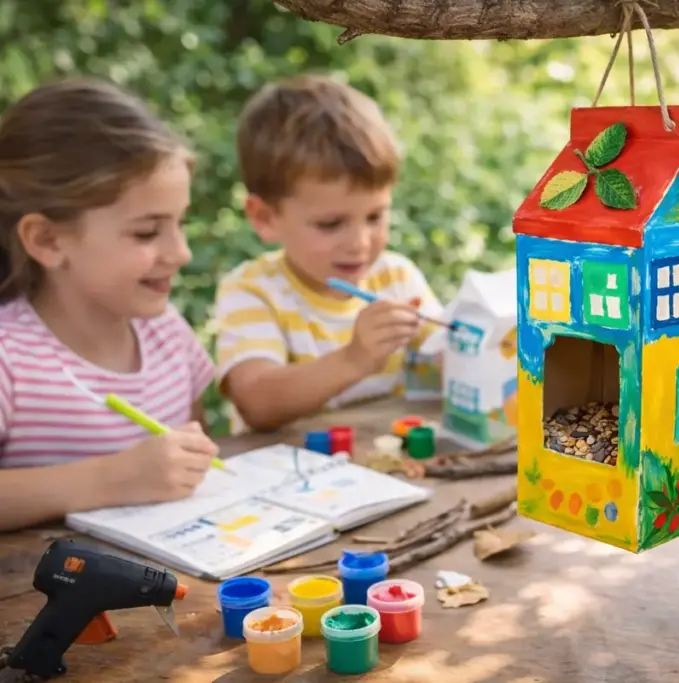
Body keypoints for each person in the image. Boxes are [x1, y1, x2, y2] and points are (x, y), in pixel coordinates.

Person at [0, 78, 221, 532]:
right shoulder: (9, 360)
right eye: (146, 232)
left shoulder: (168, 334)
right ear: (47, 240)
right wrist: (112, 479)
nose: (180, 253)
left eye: (180, 224)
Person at [213, 74, 444, 434]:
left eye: (374, 216)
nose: (360, 243)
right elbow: (256, 401)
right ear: (265, 218)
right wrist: (355, 359)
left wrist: (468, 345)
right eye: (330, 224)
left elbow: (448, 360)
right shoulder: (253, 291)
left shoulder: (396, 278)